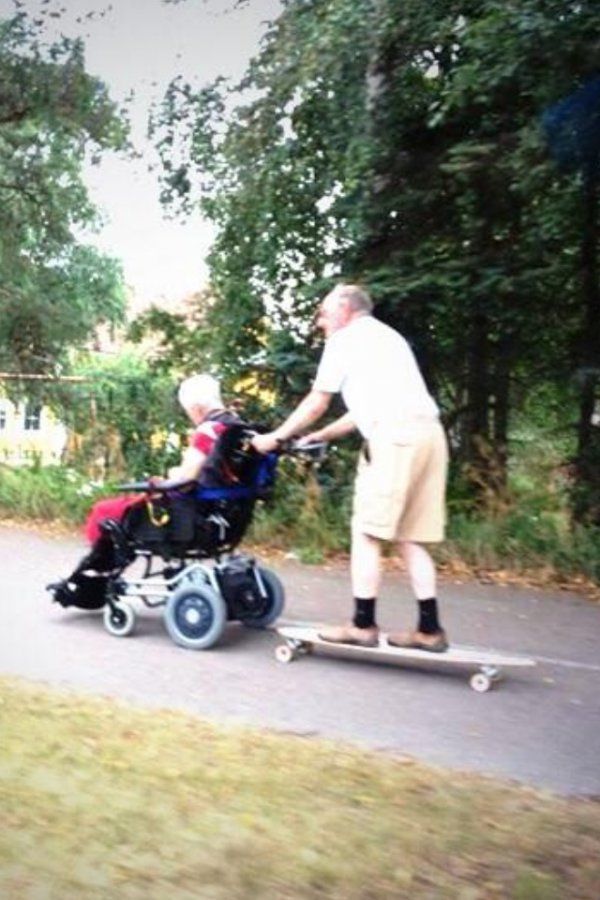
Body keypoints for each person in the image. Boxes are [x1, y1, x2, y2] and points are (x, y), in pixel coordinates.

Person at [252, 284, 449, 651]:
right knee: (409, 536)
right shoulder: (389, 339)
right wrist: (321, 435)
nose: (320, 321)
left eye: (325, 313)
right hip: (430, 436)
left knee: (366, 533)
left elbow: (317, 401)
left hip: (394, 440)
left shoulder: (345, 340)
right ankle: (429, 629)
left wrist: (275, 437)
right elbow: (366, 409)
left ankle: (362, 625)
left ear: (344, 310)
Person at [84, 373, 239, 543]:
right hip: (226, 510)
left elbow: (186, 479)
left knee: (103, 510)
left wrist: (171, 476)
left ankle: (103, 556)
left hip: (191, 511)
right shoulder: (239, 429)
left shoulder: (208, 431)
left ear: (197, 409)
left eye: (188, 412)